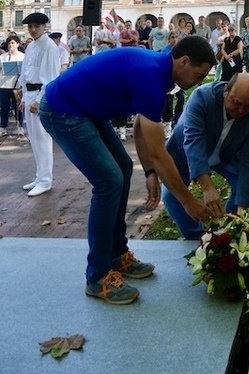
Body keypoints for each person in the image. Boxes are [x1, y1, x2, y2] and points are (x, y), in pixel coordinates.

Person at [39, 36, 216, 305]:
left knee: (122, 167)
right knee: (109, 181)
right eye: (199, 75)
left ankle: (116, 254)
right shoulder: (151, 76)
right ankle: (97, 276)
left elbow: (140, 129)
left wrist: (149, 173)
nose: (199, 82)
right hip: (63, 110)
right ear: (183, 62)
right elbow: (159, 152)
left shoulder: (161, 70)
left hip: (86, 110)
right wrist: (188, 201)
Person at [163, 72, 249, 239]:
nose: (240, 111)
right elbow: (193, 141)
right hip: (186, 152)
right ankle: (198, 237)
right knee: (170, 195)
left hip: (224, 157)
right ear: (226, 90)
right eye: (236, 103)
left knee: (243, 186)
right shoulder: (202, 97)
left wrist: (242, 206)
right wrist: (207, 187)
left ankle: (229, 230)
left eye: (247, 106)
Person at [18, 13, 60, 196]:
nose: (33, 29)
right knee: (34, 139)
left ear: (44, 26)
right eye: (30, 26)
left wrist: (38, 99)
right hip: (30, 92)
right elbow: (26, 71)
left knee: (42, 139)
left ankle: (45, 180)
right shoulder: (31, 46)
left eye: (36, 26)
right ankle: (39, 175)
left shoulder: (49, 46)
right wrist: (25, 98)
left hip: (40, 94)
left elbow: (51, 77)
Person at [0, 36, 24, 137]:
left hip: (17, 85)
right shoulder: (3, 57)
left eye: (13, 43)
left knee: (18, 107)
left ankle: (20, 126)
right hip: (4, 85)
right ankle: (3, 127)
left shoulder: (23, 56)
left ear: (18, 44)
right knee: (4, 107)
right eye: (9, 43)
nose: (11, 45)